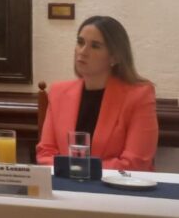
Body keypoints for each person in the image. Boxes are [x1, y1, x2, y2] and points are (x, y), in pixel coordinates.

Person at [36, 16, 158, 171]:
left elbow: (136, 163)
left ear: (115, 57)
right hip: (64, 183)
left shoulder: (139, 96)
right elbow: (46, 152)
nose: (83, 52)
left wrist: (80, 171)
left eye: (95, 46)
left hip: (115, 185)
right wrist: (76, 172)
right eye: (80, 42)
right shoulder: (58, 92)